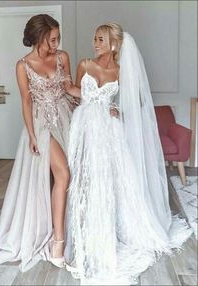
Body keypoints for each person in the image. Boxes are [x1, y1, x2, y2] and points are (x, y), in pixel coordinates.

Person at [64, 23, 193, 285]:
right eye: (94, 38)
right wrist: (66, 87)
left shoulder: (121, 71)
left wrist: (118, 110)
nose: (95, 42)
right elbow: (79, 93)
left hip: (109, 130)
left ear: (113, 44)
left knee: (111, 180)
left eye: (101, 39)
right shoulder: (85, 64)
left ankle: (109, 229)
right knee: (84, 178)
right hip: (86, 125)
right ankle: (86, 230)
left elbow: (135, 101)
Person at [0, 14, 80, 272]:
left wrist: (97, 98)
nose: (58, 42)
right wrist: (32, 135)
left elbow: (69, 88)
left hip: (66, 118)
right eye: (53, 38)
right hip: (41, 124)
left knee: (73, 176)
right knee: (63, 174)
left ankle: (71, 230)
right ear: (39, 38)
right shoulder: (23, 66)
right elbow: (25, 100)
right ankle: (58, 243)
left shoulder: (63, 57)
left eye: (59, 37)